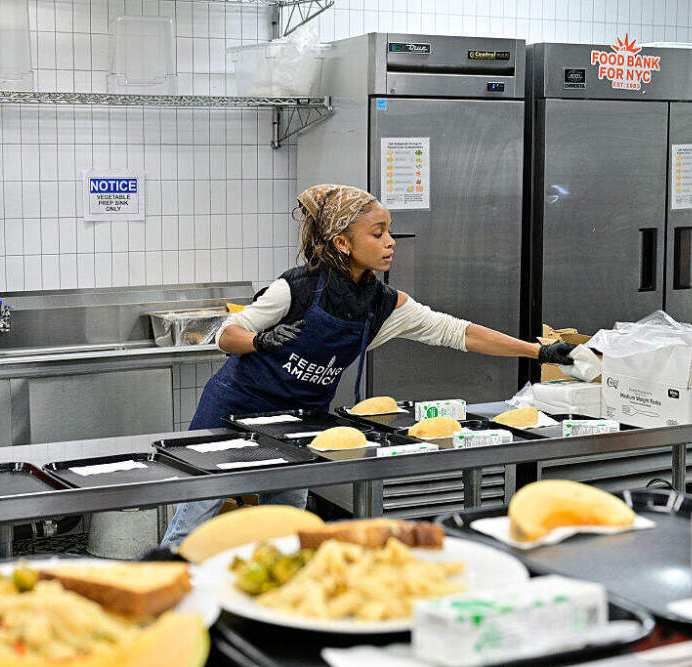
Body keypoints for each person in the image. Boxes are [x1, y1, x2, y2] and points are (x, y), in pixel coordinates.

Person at [160, 184, 575, 546]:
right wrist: (261, 340)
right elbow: (227, 334)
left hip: (299, 418)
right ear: (343, 243)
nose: (390, 241)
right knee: (201, 503)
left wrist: (537, 352)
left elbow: (460, 333)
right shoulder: (296, 287)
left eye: (389, 231)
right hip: (235, 408)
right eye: (378, 234)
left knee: (287, 519)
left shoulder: (385, 304)